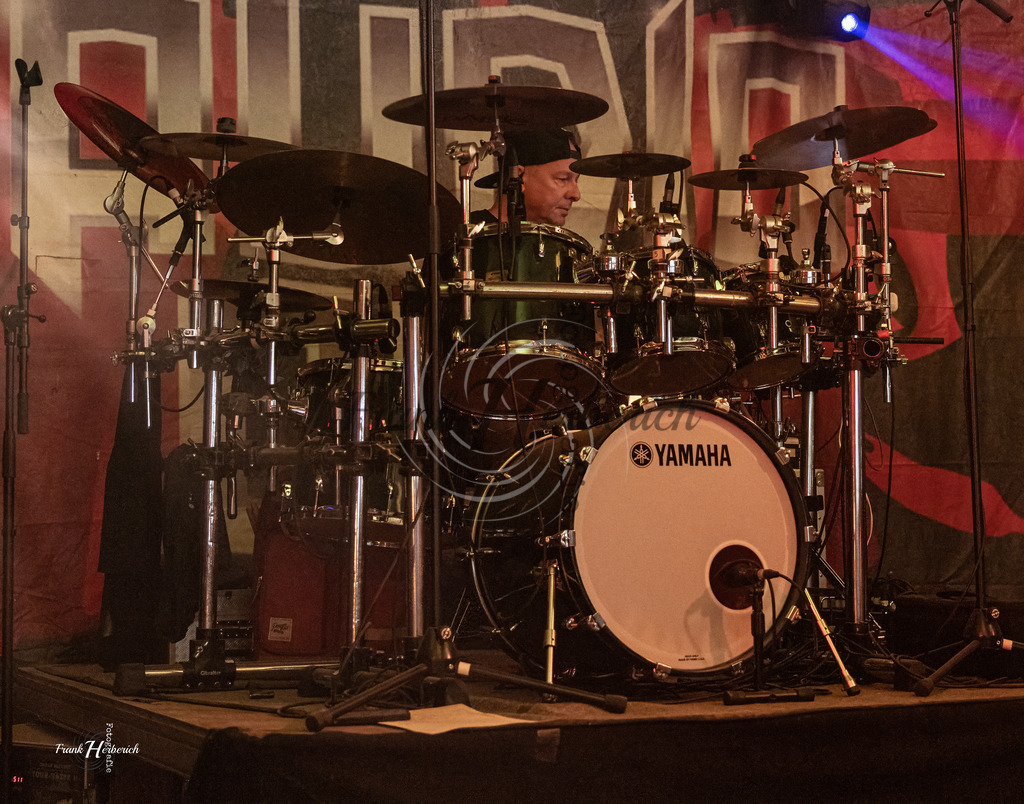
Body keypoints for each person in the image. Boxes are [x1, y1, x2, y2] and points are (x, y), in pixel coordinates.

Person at [472, 127, 583, 227]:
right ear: (518, 176)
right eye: (563, 179)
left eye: (576, 180)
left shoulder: (555, 245)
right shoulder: (467, 236)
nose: (576, 195)